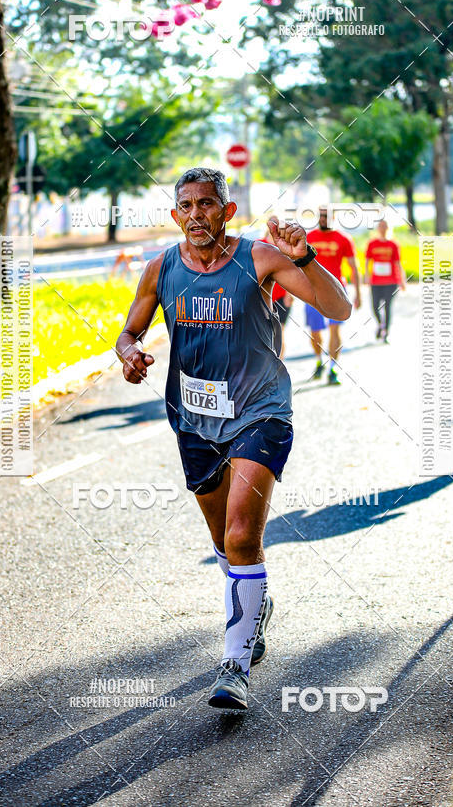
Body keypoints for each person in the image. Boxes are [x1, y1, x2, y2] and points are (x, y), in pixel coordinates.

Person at [116, 168, 351, 710]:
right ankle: (255, 602)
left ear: (227, 209)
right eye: (187, 206)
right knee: (224, 541)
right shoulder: (162, 269)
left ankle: (235, 666)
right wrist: (129, 353)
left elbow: (338, 310)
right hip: (195, 420)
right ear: (176, 215)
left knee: (244, 534)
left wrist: (306, 257)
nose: (197, 214)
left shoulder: (260, 258)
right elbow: (130, 330)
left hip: (260, 412)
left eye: (208, 204)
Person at [305, 207, 361, 385]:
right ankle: (319, 360)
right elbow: (297, 264)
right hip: (312, 290)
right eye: (320, 216)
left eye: (326, 216)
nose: (323, 219)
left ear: (333, 218)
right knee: (315, 332)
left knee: (335, 329)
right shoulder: (310, 237)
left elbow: (353, 267)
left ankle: (333, 368)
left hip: (337, 290)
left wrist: (358, 293)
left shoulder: (343, 238)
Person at [364, 219, 406, 343]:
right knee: (375, 306)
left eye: (385, 226)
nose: (382, 228)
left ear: (388, 228)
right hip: (376, 282)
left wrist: (402, 281)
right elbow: (367, 261)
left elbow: (398, 263)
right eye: (380, 226)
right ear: (378, 228)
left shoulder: (393, 244)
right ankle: (380, 325)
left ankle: (386, 332)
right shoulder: (372, 244)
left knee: (387, 306)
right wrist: (366, 275)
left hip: (391, 281)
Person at [261, 228, 294, 358]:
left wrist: (289, 294)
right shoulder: (259, 244)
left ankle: (279, 368)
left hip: (281, 296)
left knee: (279, 333)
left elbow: (292, 271)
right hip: (263, 297)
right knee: (264, 334)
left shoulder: (284, 248)